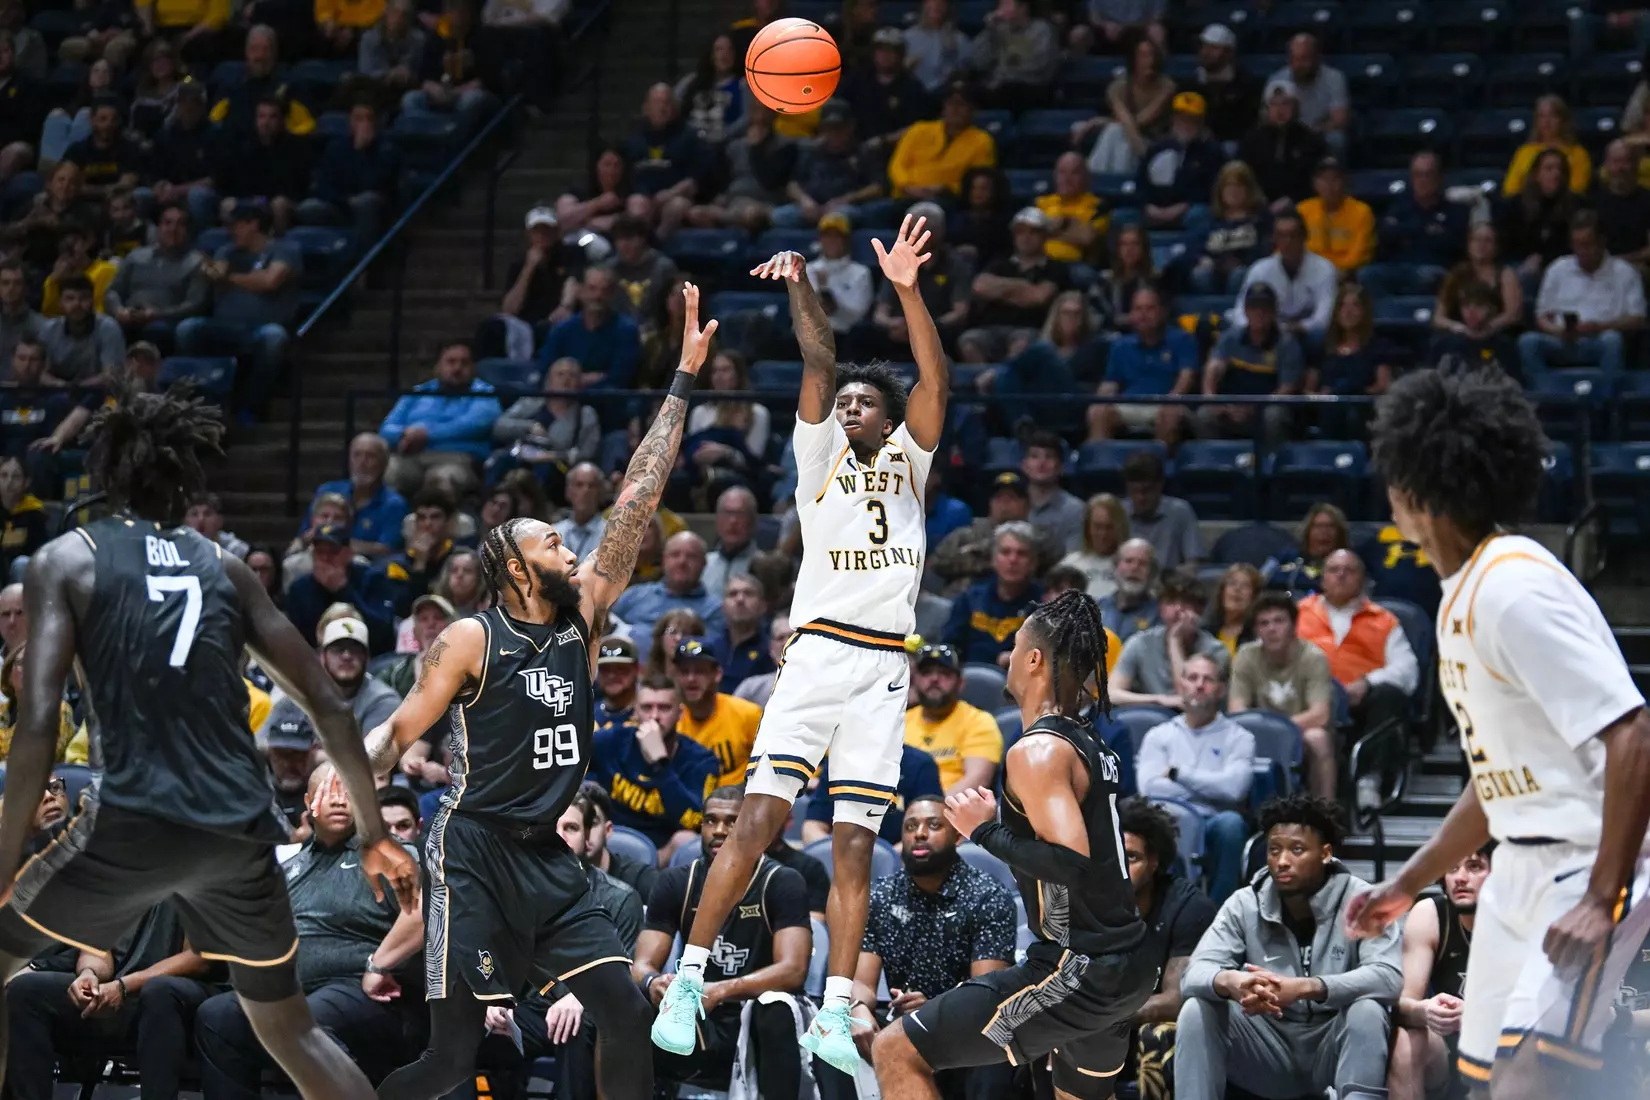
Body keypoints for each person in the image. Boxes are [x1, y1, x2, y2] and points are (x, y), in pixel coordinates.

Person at [0, 383, 419, 1100]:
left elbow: (38, 723)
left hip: (131, 817)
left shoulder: (66, 559)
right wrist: (374, 830)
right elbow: (329, 705)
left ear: (106, 473)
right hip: (237, 831)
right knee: (292, 1032)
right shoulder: (222, 565)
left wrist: (5, 855)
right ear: (185, 479)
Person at [359, 283, 722, 1100]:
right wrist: (348, 774)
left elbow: (639, 493)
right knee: (453, 1060)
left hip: (548, 857)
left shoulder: (584, 615)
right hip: (474, 852)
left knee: (622, 1009)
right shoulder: (469, 638)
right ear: (517, 567)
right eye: (553, 542)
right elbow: (403, 728)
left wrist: (683, 381)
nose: (571, 547)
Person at [652, 215, 949, 1073]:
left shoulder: (912, 462)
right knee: (760, 819)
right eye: (845, 401)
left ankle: (835, 1010)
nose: (851, 405)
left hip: (884, 667)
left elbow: (936, 373)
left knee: (855, 843)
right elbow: (820, 358)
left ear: (890, 420)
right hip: (818, 652)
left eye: (866, 401)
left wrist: (904, 290)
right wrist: (799, 284)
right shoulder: (817, 458)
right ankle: (687, 977)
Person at [1345, 366, 1650, 1098]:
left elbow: (1634, 729)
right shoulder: (1461, 597)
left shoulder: (1514, 587)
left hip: (1584, 859)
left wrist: (1602, 892)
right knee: (1488, 1083)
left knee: (1525, 1080)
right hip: (1517, 863)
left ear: (1416, 493)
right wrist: (1407, 882)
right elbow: (1495, 781)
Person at [870, 590, 1157, 1097]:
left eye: (1016, 643)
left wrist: (983, 830)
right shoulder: (1088, 740)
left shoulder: (1039, 750)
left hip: (1077, 968)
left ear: (1033, 658)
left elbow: (1073, 866)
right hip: (1127, 961)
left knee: (895, 1049)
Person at [194, 767, 426, 1094]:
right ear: (308, 802)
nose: (338, 801)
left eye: (346, 792)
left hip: (365, 993)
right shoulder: (288, 867)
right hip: (292, 991)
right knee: (217, 1015)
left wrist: (379, 965)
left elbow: (423, 912)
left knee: (306, 1021)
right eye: (326, 792)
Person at [1177, 794, 1401, 1100]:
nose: (1282, 861)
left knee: (1368, 1011)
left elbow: (1388, 977)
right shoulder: (1245, 903)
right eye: (1274, 850)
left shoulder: (1362, 901)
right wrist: (1233, 982)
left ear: (1325, 854)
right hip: (1267, 1046)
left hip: (1331, 1044)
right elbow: (1193, 975)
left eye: (1297, 850)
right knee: (1196, 1009)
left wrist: (1308, 987)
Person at [633, 786, 813, 1097]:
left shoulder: (783, 881)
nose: (719, 830)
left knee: (774, 1009)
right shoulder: (676, 882)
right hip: (700, 1011)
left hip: (755, 1009)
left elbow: (793, 970)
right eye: (710, 821)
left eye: (732, 822)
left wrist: (722, 990)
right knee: (626, 1006)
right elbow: (641, 965)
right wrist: (653, 983)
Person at [843, 794, 1018, 1099]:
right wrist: (858, 1009)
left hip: (970, 1025)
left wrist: (936, 1007)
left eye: (934, 825)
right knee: (836, 1034)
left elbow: (985, 991)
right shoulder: (882, 896)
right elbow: (862, 981)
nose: (920, 833)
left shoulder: (988, 896)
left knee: (995, 1048)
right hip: (903, 1022)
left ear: (957, 836)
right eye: (911, 826)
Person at [1118, 796, 1218, 1100]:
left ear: (1155, 861)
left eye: (1131, 859)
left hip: (1164, 1030)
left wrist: (1105, 1017)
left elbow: (1176, 1000)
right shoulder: (1087, 903)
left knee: (1158, 1036)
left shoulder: (1189, 908)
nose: (1119, 871)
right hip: (1107, 1026)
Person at [1136, 654, 1253, 903]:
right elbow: (1149, 788)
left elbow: (1234, 790)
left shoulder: (1240, 738)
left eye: (1208, 679)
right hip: (1167, 820)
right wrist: (1210, 788)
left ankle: (1219, 913)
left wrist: (1179, 775)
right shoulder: (1159, 735)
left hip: (1214, 822)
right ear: (1180, 686)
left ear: (1221, 689)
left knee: (1231, 824)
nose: (1199, 685)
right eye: (1192, 678)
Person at [1388, 844, 1493, 1100]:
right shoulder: (1429, 915)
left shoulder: (1521, 920)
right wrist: (1425, 1011)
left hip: (1503, 1051)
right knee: (1404, 1039)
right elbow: (1402, 1006)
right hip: (1446, 1053)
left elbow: (1540, 1011)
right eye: (1452, 868)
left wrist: (1477, 1014)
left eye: (1474, 867)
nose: (1460, 877)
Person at [1229, 592, 1337, 801]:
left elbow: (1320, 715)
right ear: (1256, 630)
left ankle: (1325, 812)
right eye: (1264, 623)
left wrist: (1280, 731)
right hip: (1257, 735)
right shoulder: (1245, 656)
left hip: (1301, 733)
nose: (1272, 629)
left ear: (1293, 625)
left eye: (1279, 621)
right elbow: (1237, 713)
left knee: (1318, 738)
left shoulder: (1313, 657)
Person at [1111, 572, 1229, 708]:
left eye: (1186, 603)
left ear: (1200, 611)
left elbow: (1187, 699)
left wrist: (1175, 640)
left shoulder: (1216, 651)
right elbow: (1112, 694)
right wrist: (1159, 700)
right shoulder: (1140, 642)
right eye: (1171, 602)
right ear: (1160, 609)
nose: (1178, 609)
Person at [905, 642, 1004, 794]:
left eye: (944, 673)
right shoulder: (900, 722)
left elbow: (976, 781)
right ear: (915, 680)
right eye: (926, 672)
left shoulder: (979, 722)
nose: (934, 679)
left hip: (953, 811)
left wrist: (930, 810)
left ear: (960, 683)